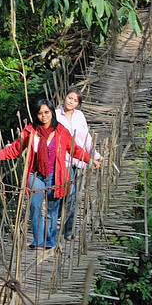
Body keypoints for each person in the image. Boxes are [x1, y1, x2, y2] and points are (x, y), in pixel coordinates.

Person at [0, 98, 90, 249]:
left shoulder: (61, 131)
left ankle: (50, 241)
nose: (43, 116)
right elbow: (16, 147)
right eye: (40, 113)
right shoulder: (30, 131)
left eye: (46, 112)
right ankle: (38, 241)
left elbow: (74, 149)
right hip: (34, 174)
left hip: (54, 174)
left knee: (52, 209)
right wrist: (0, 154)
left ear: (52, 113)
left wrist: (90, 159)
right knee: (35, 206)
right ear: (35, 115)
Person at [57, 87, 103, 239]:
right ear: (64, 97)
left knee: (74, 196)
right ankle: (59, 218)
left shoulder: (80, 116)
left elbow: (87, 138)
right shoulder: (55, 115)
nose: (71, 102)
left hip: (80, 159)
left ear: (78, 103)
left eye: (75, 100)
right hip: (63, 160)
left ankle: (68, 230)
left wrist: (95, 155)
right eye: (69, 98)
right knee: (68, 194)